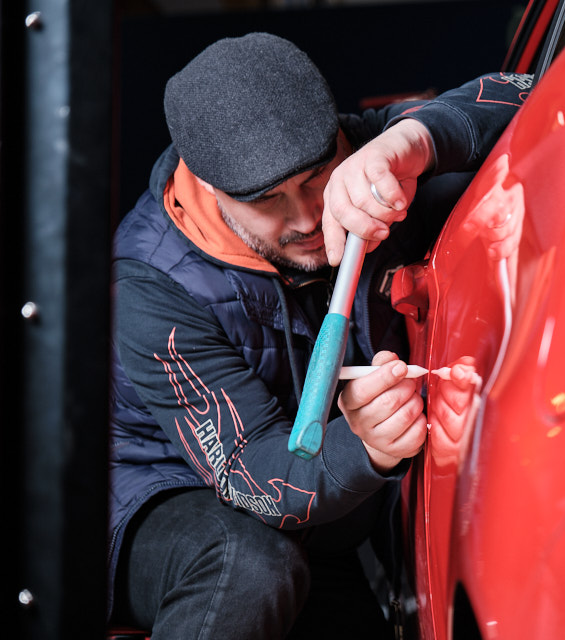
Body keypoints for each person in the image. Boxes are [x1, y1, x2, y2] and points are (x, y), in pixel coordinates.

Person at [107, 32, 531, 639]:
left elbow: (538, 92)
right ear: (211, 189)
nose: (306, 218)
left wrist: (416, 141)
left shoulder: (363, 153)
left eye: (314, 178)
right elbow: (256, 476)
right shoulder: (149, 288)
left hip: (325, 511)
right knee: (246, 567)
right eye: (268, 201)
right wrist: (365, 445)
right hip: (163, 495)